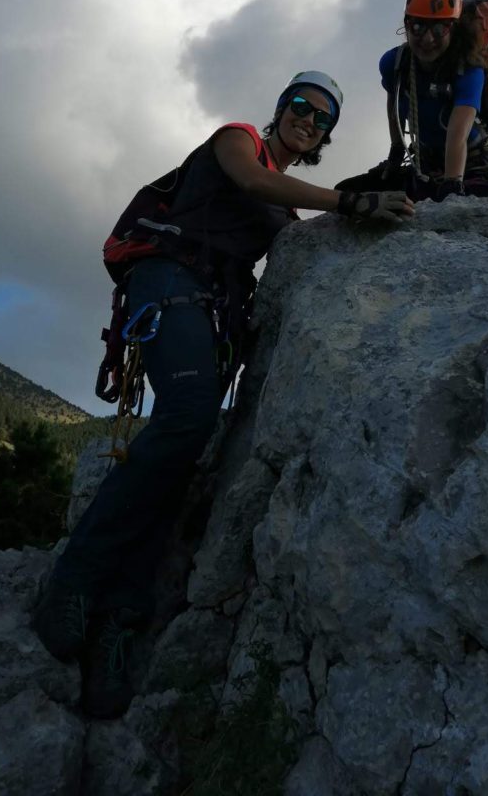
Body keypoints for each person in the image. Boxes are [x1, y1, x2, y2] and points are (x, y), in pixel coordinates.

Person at [32, 71, 414, 718]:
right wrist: (348, 203)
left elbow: (296, 225)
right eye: (300, 107)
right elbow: (254, 179)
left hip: (208, 307)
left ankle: (118, 624)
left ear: (325, 135)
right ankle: (73, 578)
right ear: (279, 110)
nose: (308, 120)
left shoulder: (289, 212)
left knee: (189, 449)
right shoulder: (239, 142)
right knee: (187, 416)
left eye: (322, 119)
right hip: (167, 278)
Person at [336, 0, 488, 202]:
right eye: (418, 26)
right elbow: (395, 109)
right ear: (407, 23)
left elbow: (458, 132)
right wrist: (396, 152)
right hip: (424, 162)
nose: (428, 39)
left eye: (439, 29)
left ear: (453, 27)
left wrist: (452, 183)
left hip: (470, 165)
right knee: (345, 192)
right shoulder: (395, 64)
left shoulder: (468, 69)